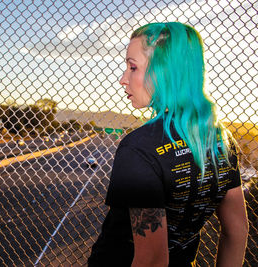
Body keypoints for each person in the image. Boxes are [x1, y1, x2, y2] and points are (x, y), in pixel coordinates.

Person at [88, 22, 248, 267]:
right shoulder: (220, 141)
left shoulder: (138, 148)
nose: (123, 79)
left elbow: (152, 260)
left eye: (132, 67)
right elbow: (236, 233)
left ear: (164, 71)